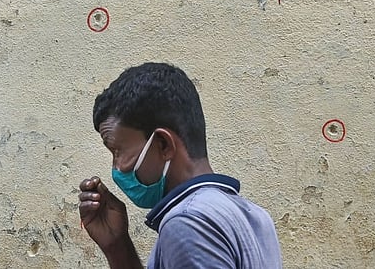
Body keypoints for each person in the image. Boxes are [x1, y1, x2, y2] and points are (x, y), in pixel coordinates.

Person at [78, 62, 283, 268]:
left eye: (118, 151)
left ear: (163, 144)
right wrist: (118, 247)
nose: (118, 167)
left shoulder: (186, 221)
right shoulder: (255, 216)